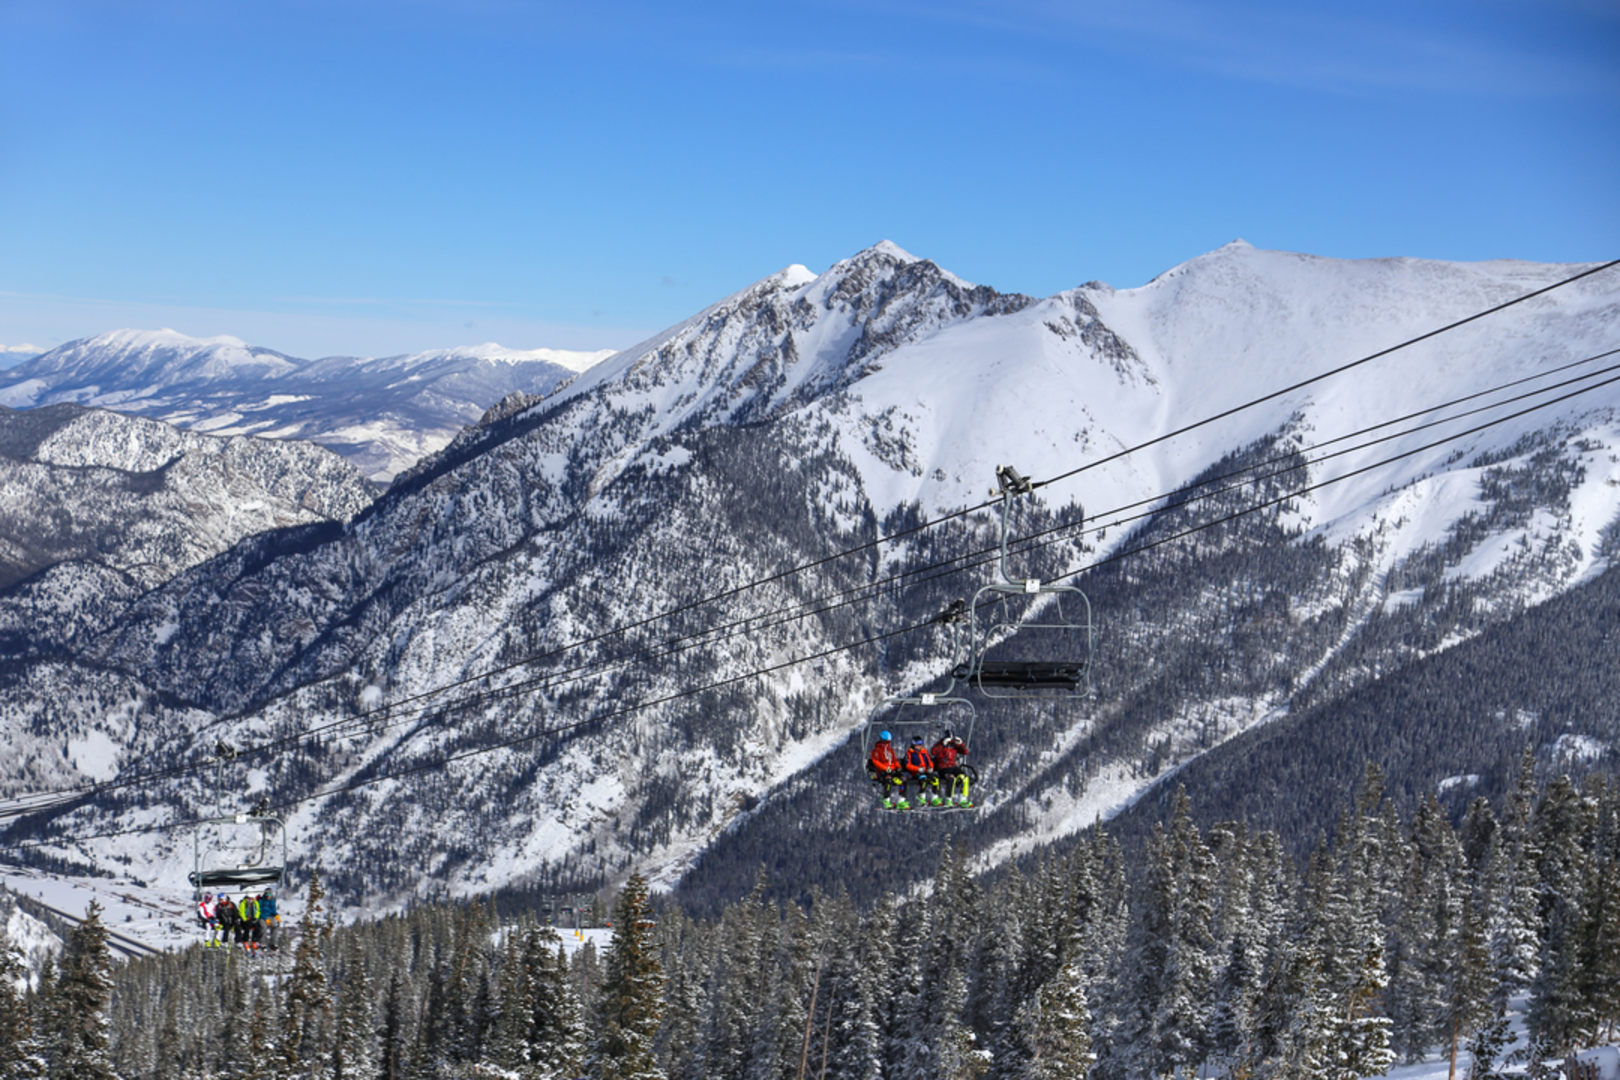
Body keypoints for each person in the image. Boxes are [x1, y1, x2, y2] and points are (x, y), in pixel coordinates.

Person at [931, 729, 972, 807]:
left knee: (964, 777)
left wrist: (960, 744)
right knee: (951, 778)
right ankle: (948, 799)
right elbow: (933, 752)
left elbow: (965, 752)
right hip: (943, 767)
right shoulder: (940, 744)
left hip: (953, 766)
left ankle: (963, 799)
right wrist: (942, 744)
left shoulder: (954, 745)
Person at [868, 730, 908, 809]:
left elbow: (895, 761)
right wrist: (885, 768)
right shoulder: (876, 751)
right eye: (886, 742)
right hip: (883, 772)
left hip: (893, 770)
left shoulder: (891, 751)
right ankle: (886, 801)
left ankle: (901, 802)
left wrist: (898, 768)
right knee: (888, 780)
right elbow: (876, 762)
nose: (888, 744)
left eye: (889, 742)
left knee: (903, 780)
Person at [904, 735, 939, 807]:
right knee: (924, 779)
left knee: (935, 779)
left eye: (920, 744)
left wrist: (931, 767)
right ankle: (921, 798)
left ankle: (934, 798)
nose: (919, 746)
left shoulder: (924, 752)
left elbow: (930, 761)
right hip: (915, 772)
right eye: (917, 744)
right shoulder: (909, 753)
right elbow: (907, 765)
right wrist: (917, 769)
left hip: (925, 771)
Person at [258, 887, 280, 951]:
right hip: (262, 916)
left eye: (270, 895)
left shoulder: (272, 901)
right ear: (265, 894)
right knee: (264, 927)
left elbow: (273, 910)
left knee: (275, 927)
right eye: (268, 895)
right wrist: (265, 918)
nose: (269, 896)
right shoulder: (261, 901)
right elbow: (259, 911)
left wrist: (276, 915)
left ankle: (273, 943)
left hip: (270, 916)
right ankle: (262, 943)